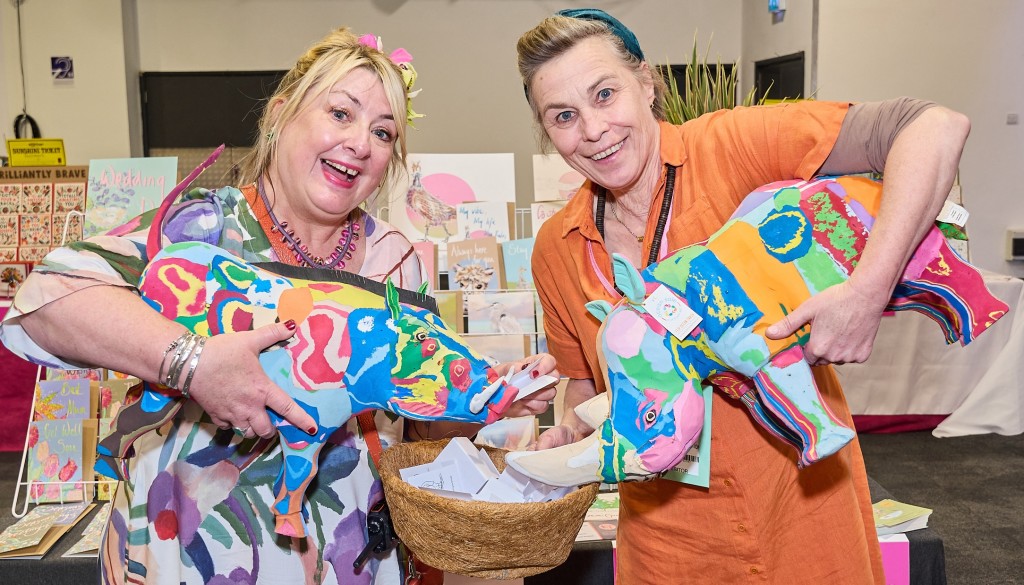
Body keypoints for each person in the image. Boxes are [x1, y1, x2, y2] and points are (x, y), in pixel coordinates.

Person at [1, 28, 556, 585]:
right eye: (341, 113)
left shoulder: (397, 263)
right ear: (281, 115)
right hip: (190, 554)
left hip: (355, 560)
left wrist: (486, 397)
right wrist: (193, 363)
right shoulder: (202, 228)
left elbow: (414, 433)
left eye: (383, 132)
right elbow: (44, 302)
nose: (361, 142)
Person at [517, 8, 968, 584]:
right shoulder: (558, 248)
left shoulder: (732, 147)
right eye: (563, 116)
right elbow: (589, 387)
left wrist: (864, 292)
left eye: (605, 94)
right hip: (667, 544)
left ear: (647, 84)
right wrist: (565, 437)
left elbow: (936, 126)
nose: (593, 129)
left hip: (800, 509)